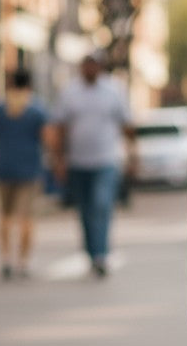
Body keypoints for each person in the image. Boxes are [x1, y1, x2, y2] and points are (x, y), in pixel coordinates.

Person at [49, 51, 135, 277]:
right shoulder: (69, 92)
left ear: (101, 67)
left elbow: (126, 124)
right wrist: (58, 160)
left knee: (101, 204)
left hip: (106, 160)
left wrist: (133, 155)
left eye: (94, 65)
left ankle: (101, 254)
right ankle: (91, 251)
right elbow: (60, 128)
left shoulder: (114, 90)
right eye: (87, 65)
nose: (90, 70)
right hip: (78, 162)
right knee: (85, 210)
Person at [0, 68, 49, 279]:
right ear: (29, 85)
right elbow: (48, 138)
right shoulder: (37, 109)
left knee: (5, 216)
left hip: (3, 167)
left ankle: (6, 257)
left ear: (10, 84)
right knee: (26, 217)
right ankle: (23, 260)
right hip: (30, 169)